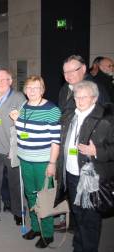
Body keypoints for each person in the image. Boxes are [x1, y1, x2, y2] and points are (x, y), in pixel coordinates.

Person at [54, 81, 114, 252]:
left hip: (90, 178)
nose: (79, 100)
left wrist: (97, 151)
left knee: (90, 221)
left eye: (84, 97)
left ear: (94, 98)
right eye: (76, 97)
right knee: (78, 215)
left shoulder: (106, 119)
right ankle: (79, 247)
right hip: (71, 175)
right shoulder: (70, 115)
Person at [9, 75, 61, 248]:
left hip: (43, 161)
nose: (32, 91)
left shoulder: (51, 109)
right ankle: (36, 227)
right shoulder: (24, 106)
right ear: (25, 90)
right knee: (30, 194)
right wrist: (17, 121)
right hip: (25, 159)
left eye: (36, 88)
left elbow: (55, 140)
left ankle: (47, 233)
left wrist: (52, 163)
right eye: (29, 88)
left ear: (42, 89)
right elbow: (24, 134)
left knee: (44, 197)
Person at [0, 69, 26, 224]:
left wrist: (17, 148)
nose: (0, 82)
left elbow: (24, 124)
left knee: (15, 183)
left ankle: (18, 212)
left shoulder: (18, 97)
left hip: (11, 149)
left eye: (3, 79)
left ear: (10, 81)